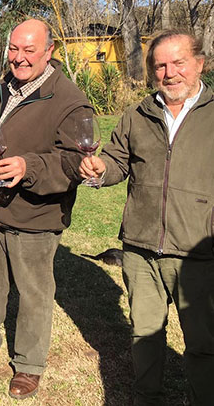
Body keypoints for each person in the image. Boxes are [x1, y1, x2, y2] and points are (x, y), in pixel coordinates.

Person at [0, 18, 91, 400]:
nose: (19, 57)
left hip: (34, 214)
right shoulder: (5, 86)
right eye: (14, 48)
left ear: (49, 52)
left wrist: (30, 167)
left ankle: (28, 365)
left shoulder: (69, 100)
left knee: (33, 293)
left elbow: (77, 161)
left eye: (29, 50)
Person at [79, 29, 214, 406]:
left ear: (199, 64)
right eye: (160, 65)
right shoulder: (137, 114)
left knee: (204, 344)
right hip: (140, 249)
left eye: (178, 63)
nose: (169, 73)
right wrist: (100, 170)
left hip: (198, 254)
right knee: (145, 336)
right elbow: (117, 161)